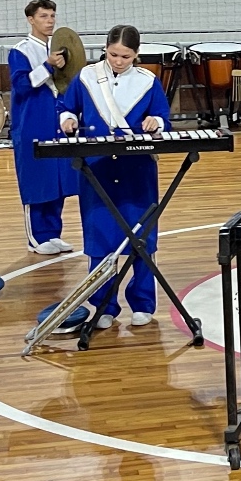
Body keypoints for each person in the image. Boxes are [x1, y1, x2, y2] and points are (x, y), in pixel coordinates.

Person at [57, 25, 173, 331]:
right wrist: (68, 120)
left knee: (141, 238)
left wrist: (156, 121)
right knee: (100, 239)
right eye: (113, 54)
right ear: (105, 49)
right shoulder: (86, 77)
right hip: (97, 169)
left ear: (137, 54)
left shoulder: (148, 81)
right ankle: (103, 304)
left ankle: (143, 303)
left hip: (137, 170)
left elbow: (164, 117)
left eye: (126, 56)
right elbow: (66, 107)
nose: (119, 61)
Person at [9, 0, 78, 254]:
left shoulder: (60, 48)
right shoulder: (21, 50)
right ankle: (36, 238)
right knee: (36, 180)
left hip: (57, 121)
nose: (49, 21)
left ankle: (53, 233)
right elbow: (22, 85)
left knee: (57, 179)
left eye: (52, 16)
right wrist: (47, 67)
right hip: (31, 122)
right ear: (30, 19)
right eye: (43, 17)